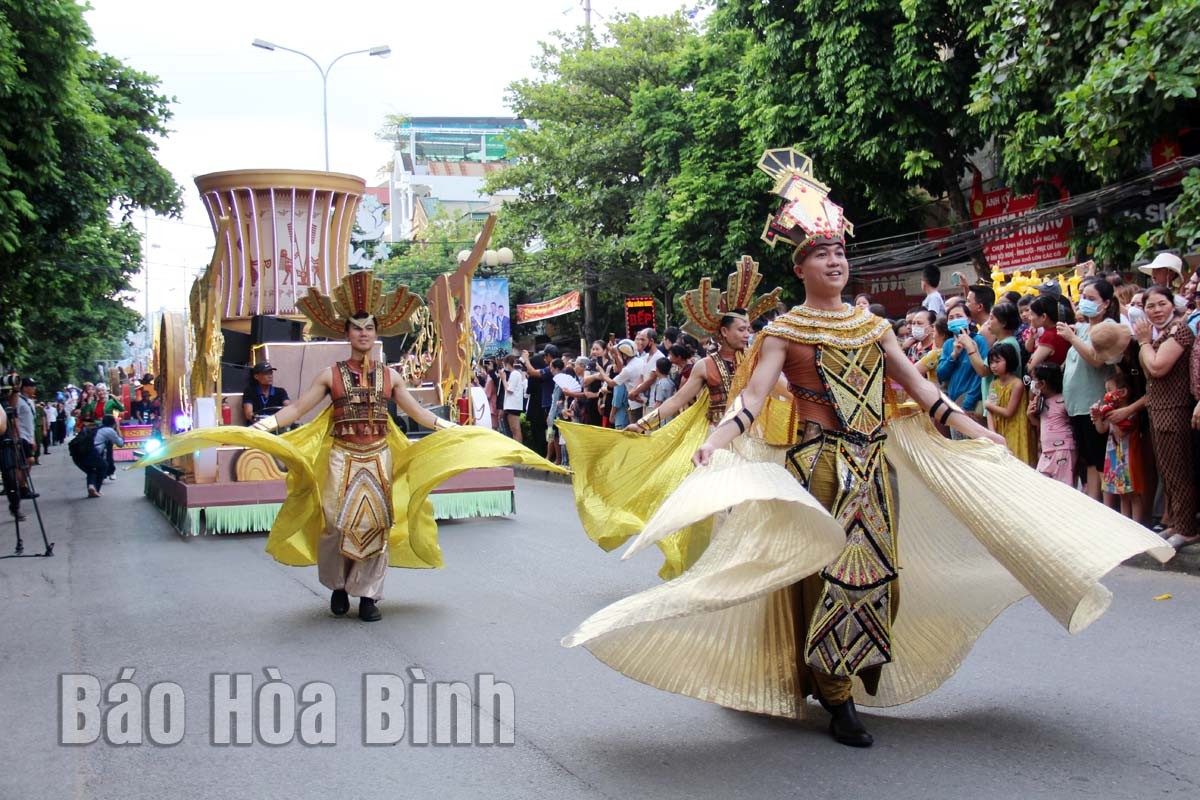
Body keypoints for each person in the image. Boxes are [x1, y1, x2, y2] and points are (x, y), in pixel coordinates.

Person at [560, 149, 1169, 751]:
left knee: (882, 577)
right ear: (800, 266)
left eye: (840, 252)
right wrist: (716, 441)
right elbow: (750, 400)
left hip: (874, 465)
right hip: (819, 464)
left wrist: (974, 428)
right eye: (823, 253)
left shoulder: (873, 326)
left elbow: (919, 386)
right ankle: (836, 694)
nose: (835, 261)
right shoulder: (785, 331)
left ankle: (845, 674)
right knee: (832, 577)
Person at [138, 271, 562, 621]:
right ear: (346, 334)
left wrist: (451, 429)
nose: (363, 334)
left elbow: (418, 413)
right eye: (356, 328)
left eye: (369, 328)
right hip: (341, 456)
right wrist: (266, 424)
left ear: (377, 334)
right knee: (336, 523)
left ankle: (367, 596)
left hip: (378, 456)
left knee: (376, 525)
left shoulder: (390, 377)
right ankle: (338, 586)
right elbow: (297, 410)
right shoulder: (330, 373)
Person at [1058, 278, 1131, 500]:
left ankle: (1105, 507)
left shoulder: (1107, 329)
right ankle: (1093, 502)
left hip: (1094, 402)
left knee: (1099, 460)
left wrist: (1071, 338)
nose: (1084, 302)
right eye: (1083, 298)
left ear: (1106, 303)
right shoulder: (1082, 328)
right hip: (1076, 405)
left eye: (1091, 298)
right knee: (1089, 459)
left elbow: (1097, 360)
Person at [1136, 286, 1197, 549]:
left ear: (1173, 304)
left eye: (1162, 304)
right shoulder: (1158, 335)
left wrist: (1143, 342)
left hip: (1176, 409)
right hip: (1159, 409)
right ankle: (1175, 522)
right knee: (1167, 471)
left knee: (1179, 469)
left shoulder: (1179, 330)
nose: (1157, 310)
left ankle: (1188, 527)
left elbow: (1157, 366)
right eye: (1151, 306)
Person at [1091, 369, 1139, 520]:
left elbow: (1121, 433)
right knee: (1122, 494)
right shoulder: (1114, 411)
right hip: (1114, 457)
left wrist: (1110, 415)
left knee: (1133, 494)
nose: (1107, 395)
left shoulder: (1129, 412)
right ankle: (1126, 525)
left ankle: (1138, 525)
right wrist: (1098, 417)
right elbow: (1101, 429)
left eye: (1109, 390)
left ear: (1123, 392)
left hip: (1128, 458)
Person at [984, 343, 1034, 464]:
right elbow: (990, 410)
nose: (993, 366)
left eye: (997, 361)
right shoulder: (994, 384)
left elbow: (1008, 412)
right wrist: (992, 432)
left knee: (1015, 458)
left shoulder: (1017, 384)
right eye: (991, 362)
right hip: (998, 427)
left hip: (1015, 427)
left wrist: (989, 405)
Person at [1029, 363, 1075, 485]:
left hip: (1063, 449)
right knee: (1042, 485)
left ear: (1043, 384)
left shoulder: (1064, 399)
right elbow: (1040, 424)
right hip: (1047, 450)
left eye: (1034, 380)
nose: (1032, 384)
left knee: (1062, 486)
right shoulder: (1040, 401)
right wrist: (1030, 415)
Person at [87, 415, 124, 498]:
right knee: (103, 466)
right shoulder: (109, 430)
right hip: (94, 451)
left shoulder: (98, 428)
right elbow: (120, 443)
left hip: (85, 451)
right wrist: (118, 429)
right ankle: (96, 489)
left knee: (92, 469)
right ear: (113, 423)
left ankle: (91, 487)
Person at [499, 354, 526, 445]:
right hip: (512, 405)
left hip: (513, 406)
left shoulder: (515, 374)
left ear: (507, 363)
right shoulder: (515, 374)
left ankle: (519, 451)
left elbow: (509, 389)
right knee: (514, 430)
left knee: (515, 430)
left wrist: (503, 379)